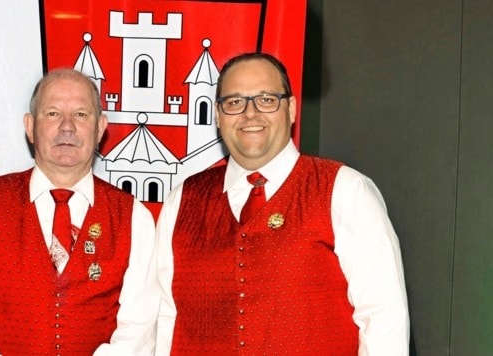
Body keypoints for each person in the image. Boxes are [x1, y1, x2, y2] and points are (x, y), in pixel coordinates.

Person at [155, 53, 409, 355]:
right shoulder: (181, 200)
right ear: (218, 116)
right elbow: (162, 318)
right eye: (235, 102)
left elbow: (383, 318)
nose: (250, 114)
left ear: (290, 109)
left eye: (266, 99)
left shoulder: (345, 190)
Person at [0, 69, 159, 355]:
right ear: (30, 127)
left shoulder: (132, 216)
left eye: (81, 114)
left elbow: (139, 328)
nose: (67, 127)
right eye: (53, 114)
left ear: (101, 128)